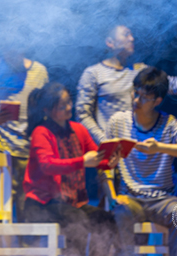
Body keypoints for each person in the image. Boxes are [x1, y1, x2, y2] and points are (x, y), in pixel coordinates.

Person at [106, 67, 177, 256]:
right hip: (130, 197)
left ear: (157, 101)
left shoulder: (169, 123)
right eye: (135, 93)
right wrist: (112, 195)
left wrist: (160, 147)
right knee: (121, 213)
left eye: (144, 97)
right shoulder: (118, 122)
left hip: (162, 199)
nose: (136, 100)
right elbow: (105, 164)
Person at [23, 82, 120, 256]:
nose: (69, 107)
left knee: (105, 219)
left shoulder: (78, 129)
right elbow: (47, 165)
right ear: (46, 110)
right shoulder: (41, 132)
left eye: (69, 102)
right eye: (62, 106)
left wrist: (110, 161)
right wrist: (82, 161)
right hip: (43, 204)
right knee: (77, 220)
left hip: (72, 203)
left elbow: (97, 158)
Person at [76, 24, 177, 145]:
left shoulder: (140, 71)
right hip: (110, 151)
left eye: (131, 35)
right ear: (110, 42)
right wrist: (104, 141)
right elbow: (82, 115)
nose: (132, 38)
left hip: (140, 148)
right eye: (126, 34)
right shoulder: (93, 73)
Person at [0, 48, 48, 221]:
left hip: (30, 148)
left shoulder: (39, 71)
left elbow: (44, 110)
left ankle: (25, 238)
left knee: (28, 208)